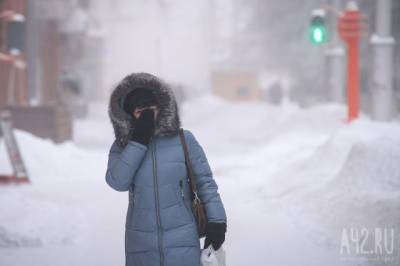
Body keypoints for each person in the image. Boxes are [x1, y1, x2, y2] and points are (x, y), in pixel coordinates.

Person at [105, 72, 227, 266]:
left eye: (150, 109)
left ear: (161, 107)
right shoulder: (123, 146)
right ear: (129, 115)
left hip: (183, 242)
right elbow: (117, 182)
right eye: (139, 111)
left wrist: (217, 223)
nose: (146, 115)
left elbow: (206, 184)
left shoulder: (184, 140)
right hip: (141, 246)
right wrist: (138, 141)